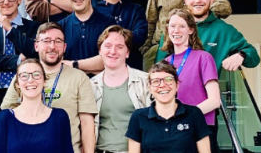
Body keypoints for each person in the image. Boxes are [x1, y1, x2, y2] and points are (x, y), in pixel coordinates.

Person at [1, 22, 98, 153]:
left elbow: (87, 123)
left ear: (64, 47)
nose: (52, 46)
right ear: (36, 46)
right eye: (46, 41)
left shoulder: (79, 78)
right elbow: (7, 114)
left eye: (58, 41)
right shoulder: (24, 77)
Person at [159, 9, 221, 151]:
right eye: (173, 26)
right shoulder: (165, 63)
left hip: (200, 126)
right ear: (168, 29)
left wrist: (185, 115)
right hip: (174, 127)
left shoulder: (204, 58)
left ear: (191, 30)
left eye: (182, 26)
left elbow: (214, 101)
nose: (176, 30)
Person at [89, 25, 152, 153]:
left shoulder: (145, 81)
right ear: (100, 51)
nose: (113, 51)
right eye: (108, 46)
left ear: (127, 53)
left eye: (119, 47)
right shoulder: (91, 85)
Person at [125, 62, 212, 153]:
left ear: (177, 85)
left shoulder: (194, 114)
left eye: (168, 79)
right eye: (156, 81)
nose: (162, 85)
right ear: (149, 88)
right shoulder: (138, 117)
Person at [0, 59, 74, 153]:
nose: (30, 80)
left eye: (36, 74)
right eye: (24, 76)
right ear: (18, 83)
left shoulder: (60, 117)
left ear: (44, 81)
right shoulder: (5, 117)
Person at [184, 0, 260, 77]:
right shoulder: (174, 28)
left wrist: (241, 55)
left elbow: (254, 57)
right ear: (186, 0)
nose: (198, 0)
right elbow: (164, 61)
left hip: (212, 86)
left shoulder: (225, 31)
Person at [56, 0, 116, 75]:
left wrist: (73, 64)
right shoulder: (60, 28)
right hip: (72, 84)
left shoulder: (108, 24)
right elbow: (58, 65)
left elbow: (110, 60)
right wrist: (93, 66)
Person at [93, 0, 148, 70]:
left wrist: (108, 40)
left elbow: (140, 37)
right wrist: (127, 36)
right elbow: (93, 41)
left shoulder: (136, 10)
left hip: (132, 69)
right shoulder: (94, 11)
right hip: (101, 71)